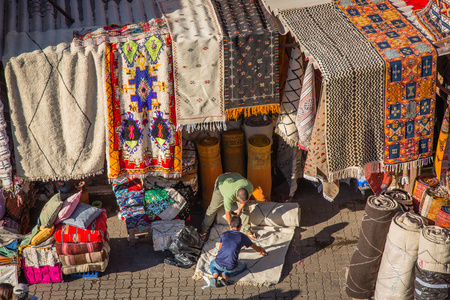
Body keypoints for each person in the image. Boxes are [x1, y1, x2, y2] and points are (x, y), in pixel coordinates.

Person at [209, 216, 267, 287]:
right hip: (230, 266)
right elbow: (256, 248)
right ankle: (225, 275)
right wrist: (261, 250)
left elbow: (220, 248)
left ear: (230, 225)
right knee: (242, 266)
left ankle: (215, 275)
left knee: (212, 263)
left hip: (218, 263)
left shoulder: (225, 234)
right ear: (241, 226)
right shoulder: (243, 237)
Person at [200, 172, 256, 240]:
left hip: (235, 176)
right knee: (212, 209)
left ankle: (247, 230)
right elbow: (227, 213)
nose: (242, 203)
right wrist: (231, 227)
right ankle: (204, 230)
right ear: (236, 197)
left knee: (245, 209)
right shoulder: (228, 196)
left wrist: (240, 208)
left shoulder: (250, 187)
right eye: (240, 201)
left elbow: (245, 200)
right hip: (222, 182)